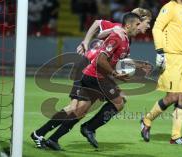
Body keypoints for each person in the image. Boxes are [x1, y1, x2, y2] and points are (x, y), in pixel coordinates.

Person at [31, 12, 142, 150]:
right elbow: (101, 58)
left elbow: (114, 57)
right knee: (119, 101)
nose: (141, 27)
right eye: (139, 24)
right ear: (128, 24)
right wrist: (113, 73)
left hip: (95, 75)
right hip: (94, 74)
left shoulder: (125, 38)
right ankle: (89, 128)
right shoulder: (117, 35)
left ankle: (46, 136)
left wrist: (133, 68)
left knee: (79, 110)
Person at [140, 0, 182, 145]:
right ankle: (147, 120)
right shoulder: (169, 7)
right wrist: (159, 52)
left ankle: (176, 136)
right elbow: (156, 28)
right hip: (172, 57)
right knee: (172, 96)